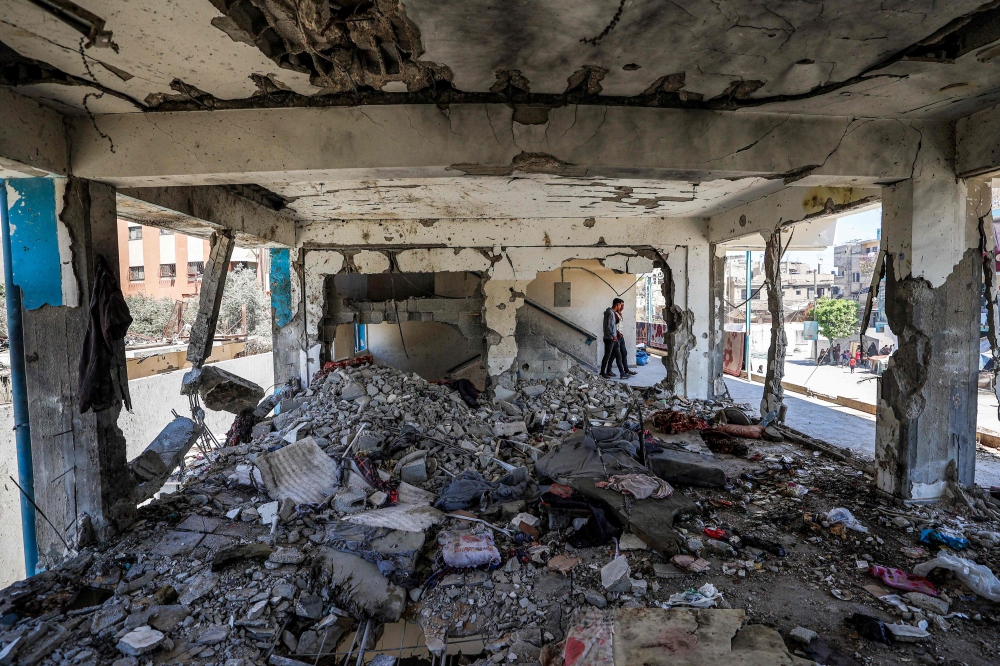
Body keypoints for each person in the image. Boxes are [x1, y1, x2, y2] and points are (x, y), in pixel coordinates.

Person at [601, 298, 636, 378]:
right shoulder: (610, 313)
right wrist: (614, 335)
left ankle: (621, 373)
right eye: (621, 305)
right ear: (617, 304)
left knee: (617, 355)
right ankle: (604, 372)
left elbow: (612, 326)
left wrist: (615, 334)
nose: (621, 306)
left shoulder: (612, 313)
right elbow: (609, 326)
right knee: (608, 355)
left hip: (613, 337)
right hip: (610, 338)